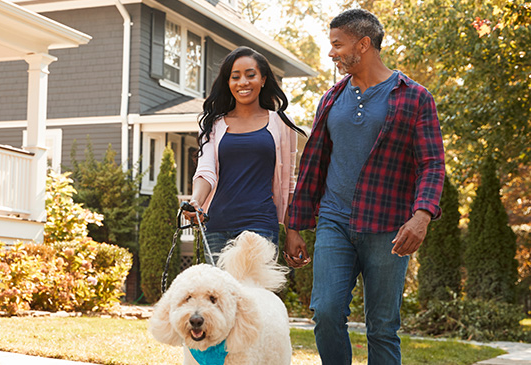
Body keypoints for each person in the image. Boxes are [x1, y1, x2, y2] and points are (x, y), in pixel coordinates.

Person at [284, 9, 445, 364]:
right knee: (325, 314)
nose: (331, 53)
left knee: (382, 328)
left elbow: (432, 163)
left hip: (388, 227)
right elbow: (313, 164)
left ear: (364, 43)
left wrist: (422, 216)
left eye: (337, 45)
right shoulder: (331, 98)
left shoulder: (415, 97)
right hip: (334, 222)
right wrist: (294, 224)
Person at [185, 46, 306, 259]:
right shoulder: (213, 124)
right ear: (228, 82)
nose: (242, 82)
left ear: (263, 80)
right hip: (217, 227)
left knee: (255, 292)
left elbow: (288, 184)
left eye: (251, 75)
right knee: (220, 292)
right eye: (235, 77)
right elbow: (206, 171)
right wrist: (195, 201)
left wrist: (292, 232)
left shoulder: (282, 124)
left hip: (261, 227)